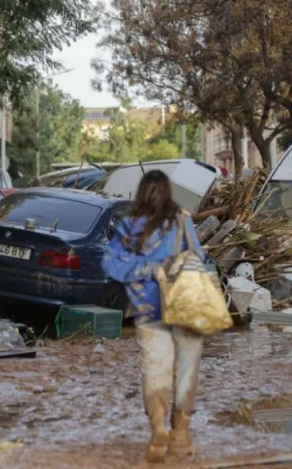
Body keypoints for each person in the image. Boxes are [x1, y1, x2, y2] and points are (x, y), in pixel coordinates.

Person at [102, 170, 205, 463]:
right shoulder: (183, 220)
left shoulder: (129, 226)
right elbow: (199, 257)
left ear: (142, 194)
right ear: (169, 192)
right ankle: (181, 437)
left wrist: (142, 271)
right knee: (185, 372)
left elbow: (110, 265)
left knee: (155, 371)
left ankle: (158, 428)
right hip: (183, 308)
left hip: (148, 312)